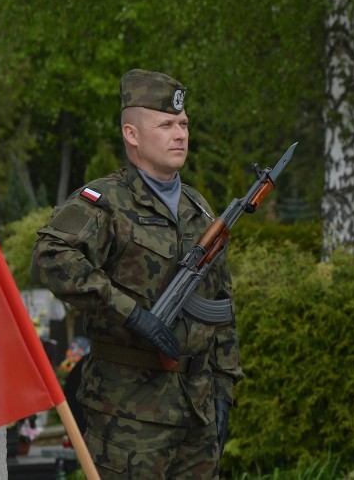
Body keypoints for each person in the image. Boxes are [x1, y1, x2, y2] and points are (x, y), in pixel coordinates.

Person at [31, 69, 243, 479]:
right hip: (126, 415)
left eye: (183, 124)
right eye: (165, 125)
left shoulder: (199, 210)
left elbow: (220, 305)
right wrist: (131, 313)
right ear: (132, 134)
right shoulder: (104, 202)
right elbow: (51, 256)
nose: (180, 134)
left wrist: (224, 390)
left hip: (195, 414)